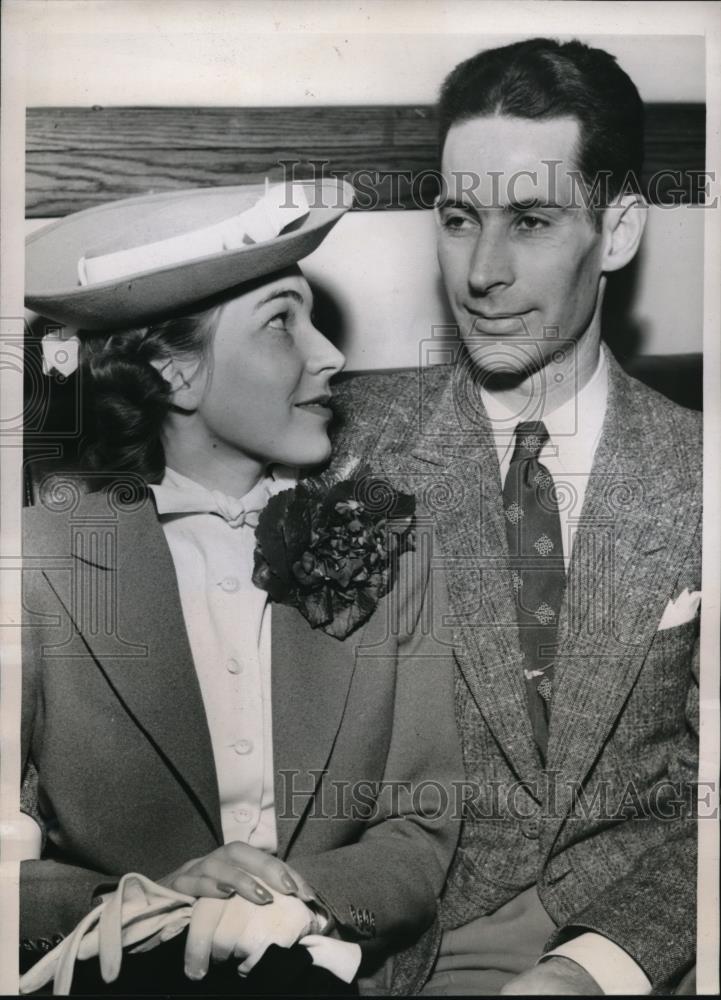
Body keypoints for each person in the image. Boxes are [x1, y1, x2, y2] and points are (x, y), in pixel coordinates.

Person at [19, 180, 462, 993]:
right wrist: (137, 904)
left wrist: (303, 902)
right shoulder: (39, 562)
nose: (329, 355)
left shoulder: (389, 540)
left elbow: (420, 826)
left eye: (314, 318)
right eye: (281, 323)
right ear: (173, 371)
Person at [332, 38, 701, 995]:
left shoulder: (700, 472)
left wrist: (592, 964)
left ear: (615, 232)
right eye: (459, 219)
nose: (481, 272)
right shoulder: (341, 454)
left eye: (530, 220)